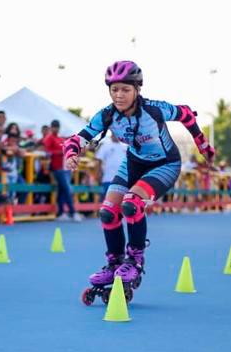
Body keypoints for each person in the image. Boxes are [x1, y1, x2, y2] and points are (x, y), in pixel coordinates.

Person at [64, 61, 216, 293]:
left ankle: (135, 259)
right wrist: (72, 153)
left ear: (137, 89)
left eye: (125, 89)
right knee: (107, 211)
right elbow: (78, 138)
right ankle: (114, 262)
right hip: (133, 163)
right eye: (114, 89)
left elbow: (185, 113)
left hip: (164, 163)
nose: (119, 95)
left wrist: (202, 144)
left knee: (132, 204)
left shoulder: (154, 110)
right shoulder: (106, 115)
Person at [43, 119, 80, 221]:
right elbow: (46, 151)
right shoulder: (49, 138)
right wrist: (60, 152)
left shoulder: (60, 138)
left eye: (57, 126)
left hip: (65, 167)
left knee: (62, 190)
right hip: (57, 168)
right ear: (51, 127)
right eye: (54, 126)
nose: (56, 128)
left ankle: (60, 213)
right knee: (68, 189)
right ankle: (73, 212)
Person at [94, 132, 128, 197]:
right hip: (107, 179)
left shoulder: (125, 146)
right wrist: (98, 173)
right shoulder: (105, 145)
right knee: (105, 201)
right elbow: (98, 160)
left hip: (122, 180)